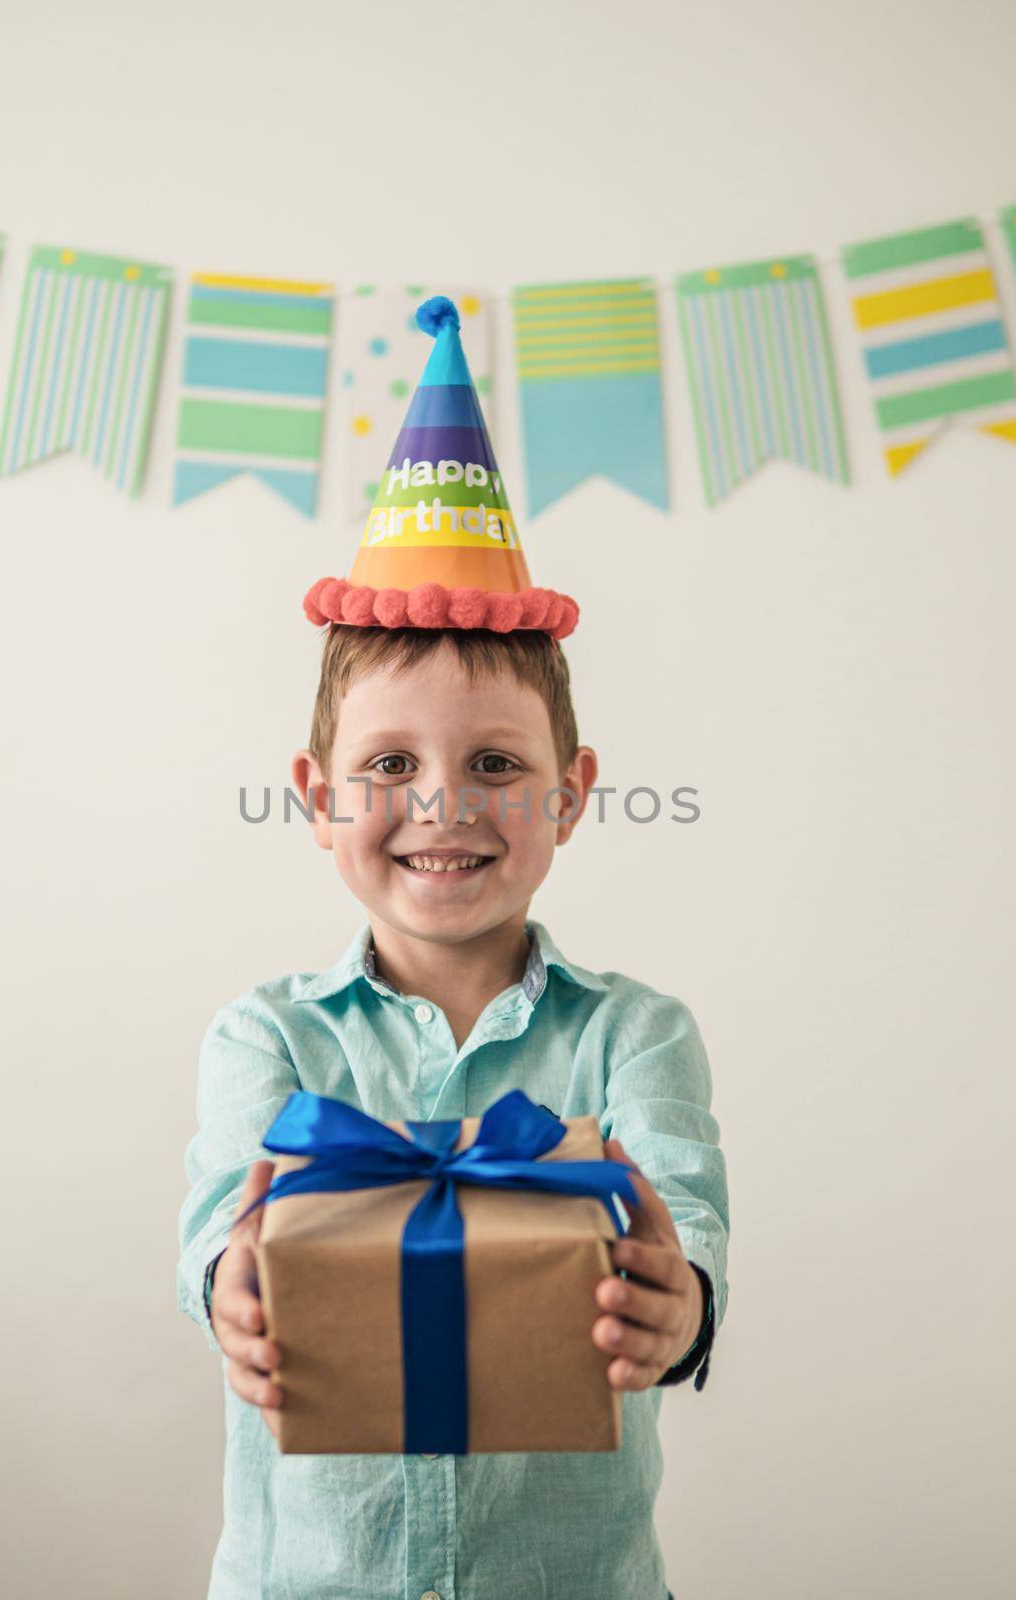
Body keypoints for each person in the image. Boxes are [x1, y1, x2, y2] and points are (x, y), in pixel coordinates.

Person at [176, 297, 730, 1600]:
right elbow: (215, 1236)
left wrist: (680, 1298)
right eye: (388, 765)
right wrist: (234, 1295)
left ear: (571, 792)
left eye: (495, 763)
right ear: (317, 797)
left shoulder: (633, 1035)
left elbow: (685, 1218)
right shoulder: (266, 1037)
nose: (442, 805)